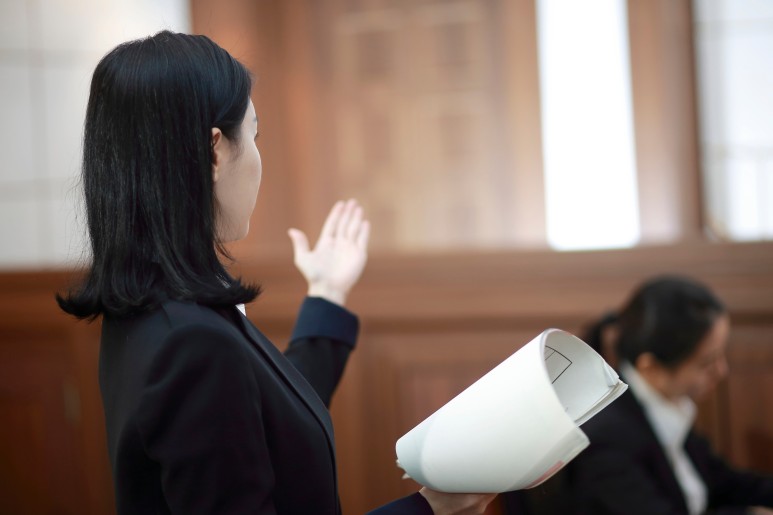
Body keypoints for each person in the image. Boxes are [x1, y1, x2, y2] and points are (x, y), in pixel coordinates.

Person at [56, 31, 495, 515]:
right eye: (255, 134)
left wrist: (326, 294)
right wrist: (429, 509)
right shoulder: (191, 342)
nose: (258, 157)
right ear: (214, 151)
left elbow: (259, 421)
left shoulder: (151, 311)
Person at [567, 275, 773, 515]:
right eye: (707, 362)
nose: (722, 370)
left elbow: (725, 483)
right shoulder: (606, 440)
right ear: (650, 368)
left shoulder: (670, 405)